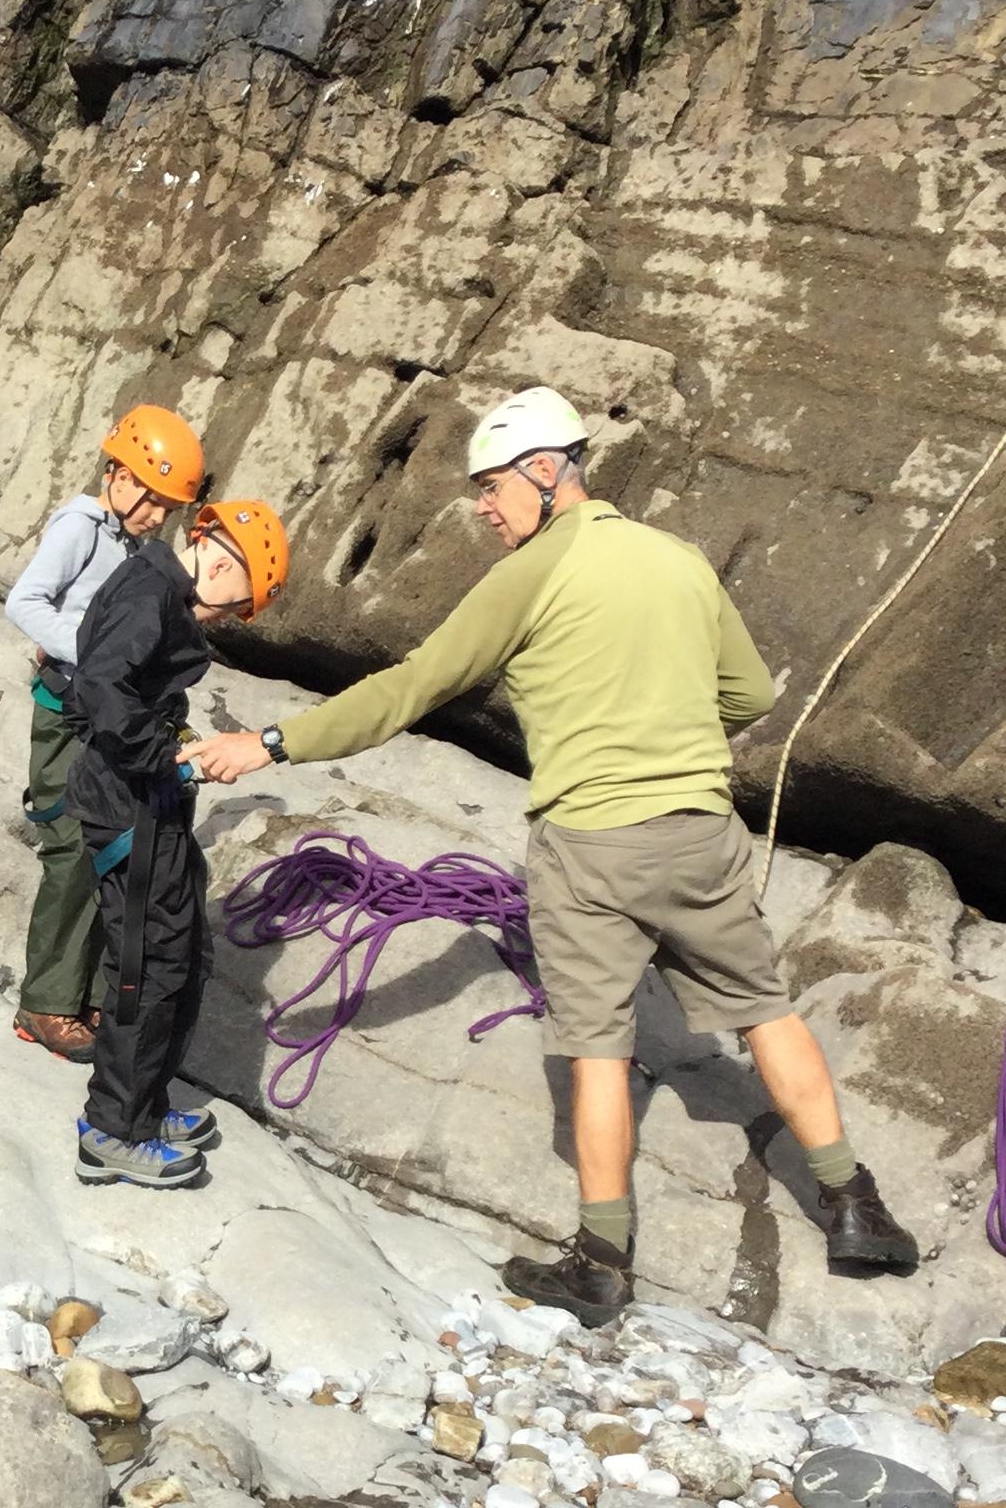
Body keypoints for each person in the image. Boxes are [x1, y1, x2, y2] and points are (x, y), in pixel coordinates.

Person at [191, 386, 917, 1324]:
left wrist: (273, 743)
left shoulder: (529, 574)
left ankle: (600, 1263)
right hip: (700, 831)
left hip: (591, 846)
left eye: (491, 486)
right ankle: (855, 1207)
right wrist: (666, 722)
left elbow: (412, 687)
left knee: (599, 1049)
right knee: (764, 1010)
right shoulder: (679, 559)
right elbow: (748, 694)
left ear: (544, 470)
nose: (484, 509)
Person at [68, 496, 291, 1189]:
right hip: (129, 800)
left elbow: (131, 689)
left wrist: (177, 742)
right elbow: (100, 685)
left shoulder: (159, 589)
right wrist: (164, 755)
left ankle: (143, 1106)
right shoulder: (150, 595)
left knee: (183, 948)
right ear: (221, 567)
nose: (227, 619)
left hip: (146, 796)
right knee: (149, 962)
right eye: (236, 607)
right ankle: (112, 1130)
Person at [4, 405, 207, 1064]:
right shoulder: (81, 528)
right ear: (120, 476)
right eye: (153, 500)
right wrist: (92, 653)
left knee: (111, 846)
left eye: (169, 508)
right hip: (68, 713)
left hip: (103, 712)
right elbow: (25, 601)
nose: (158, 516)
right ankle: (44, 1003)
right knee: (71, 848)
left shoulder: (134, 545)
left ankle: (88, 996)